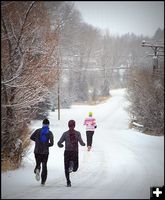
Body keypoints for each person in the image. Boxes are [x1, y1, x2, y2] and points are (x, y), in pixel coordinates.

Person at [57, 120, 85, 187]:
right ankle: (72, 164)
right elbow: (81, 142)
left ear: (68, 125)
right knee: (75, 168)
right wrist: (83, 144)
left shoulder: (65, 133)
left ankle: (68, 182)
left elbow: (59, 142)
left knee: (66, 168)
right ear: (74, 125)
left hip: (67, 152)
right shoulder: (77, 133)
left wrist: (60, 145)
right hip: (74, 152)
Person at [30, 118, 54, 186]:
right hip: (45, 152)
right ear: (48, 124)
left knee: (38, 163)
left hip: (37, 151)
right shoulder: (49, 133)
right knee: (44, 165)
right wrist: (46, 145)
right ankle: (43, 181)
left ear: (42, 124)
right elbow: (52, 143)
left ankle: (37, 169)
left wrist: (37, 141)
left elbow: (31, 137)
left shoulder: (37, 130)